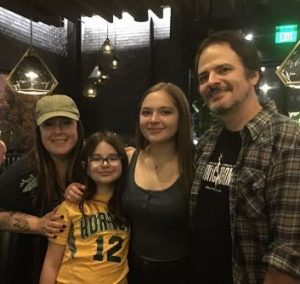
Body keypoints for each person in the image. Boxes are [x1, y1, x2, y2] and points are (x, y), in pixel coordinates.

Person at [190, 30, 300, 284]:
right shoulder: (208, 141)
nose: (212, 81)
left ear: (253, 75)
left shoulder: (287, 139)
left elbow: (287, 256)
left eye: (224, 69)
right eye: (204, 76)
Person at [66, 82, 194, 283]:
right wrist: (74, 189)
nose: (153, 119)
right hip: (130, 270)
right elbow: (97, 182)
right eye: (146, 112)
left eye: (165, 112)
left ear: (181, 117)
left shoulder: (195, 164)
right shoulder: (128, 158)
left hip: (182, 273)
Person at [0, 94, 84, 284]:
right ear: (39, 131)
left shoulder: (92, 162)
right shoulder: (22, 172)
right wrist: (38, 224)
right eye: (49, 124)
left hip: (87, 269)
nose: (58, 131)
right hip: (33, 268)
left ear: (77, 126)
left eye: (65, 122)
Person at [40, 131, 129, 284]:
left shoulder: (129, 204)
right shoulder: (70, 206)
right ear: (86, 167)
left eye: (113, 158)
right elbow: (51, 264)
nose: (105, 164)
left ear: (123, 163)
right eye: (96, 159)